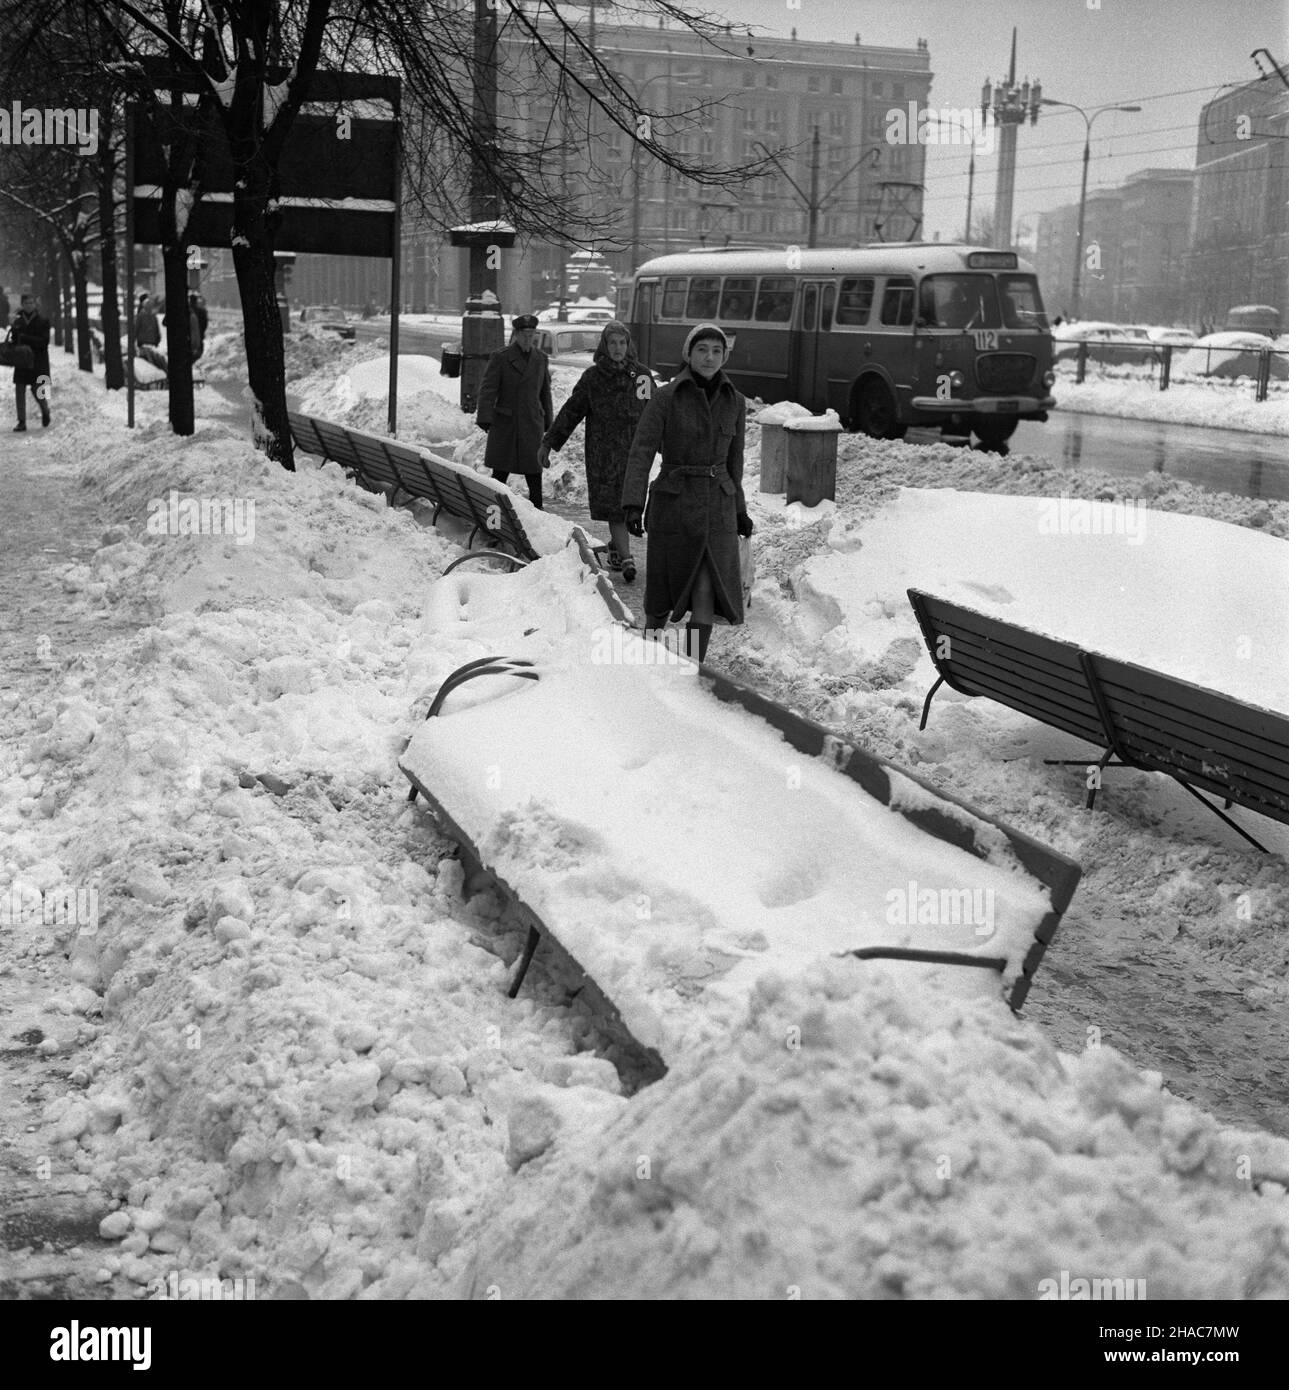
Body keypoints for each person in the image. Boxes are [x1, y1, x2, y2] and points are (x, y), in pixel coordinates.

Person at [621, 322, 753, 665]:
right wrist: (633, 503)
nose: (709, 358)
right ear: (688, 354)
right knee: (661, 596)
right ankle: (647, 656)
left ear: (724, 356)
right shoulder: (666, 397)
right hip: (674, 507)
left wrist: (739, 510)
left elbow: (734, 464)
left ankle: (692, 670)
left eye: (716, 351)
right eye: (702, 350)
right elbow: (642, 450)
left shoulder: (735, 402)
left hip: (718, 512)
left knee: (706, 594)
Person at [540, 320, 653, 583]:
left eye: (622, 343)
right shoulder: (593, 378)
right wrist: (549, 443)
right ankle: (627, 559)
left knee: (629, 505)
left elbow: (653, 414)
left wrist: (665, 446)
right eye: (612, 343)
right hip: (603, 455)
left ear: (629, 345)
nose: (617, 348)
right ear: (604, 345)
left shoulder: (641, 377)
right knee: (616, 507)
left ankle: (616, 547)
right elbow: (571, 412)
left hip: (634, 454)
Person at [475, 313, 554, 510]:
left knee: (534, 473)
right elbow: (488, 389)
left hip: (531, 424)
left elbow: (545, 393)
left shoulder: (540, 359)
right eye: (525, 334)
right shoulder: (501, 358)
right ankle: (494, 516)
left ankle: (539, 516)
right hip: (506, 425)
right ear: (516, 335)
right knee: (500, 475)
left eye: (532, 334)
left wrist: (548, 423)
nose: (529, 338)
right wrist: (485, 417)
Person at [8, 293, 51, 431]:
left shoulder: (43, 321)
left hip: (38, 360)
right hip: (22, 361)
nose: (29, 305)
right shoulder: (17, 322)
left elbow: (44, 342)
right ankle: (21, 421)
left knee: (37, 389)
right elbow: (14, 342)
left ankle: (45, 410)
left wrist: (26, 338)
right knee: (19, 389)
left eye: (32, 302)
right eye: (26, 303)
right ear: (22, 304)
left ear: (35, 304)